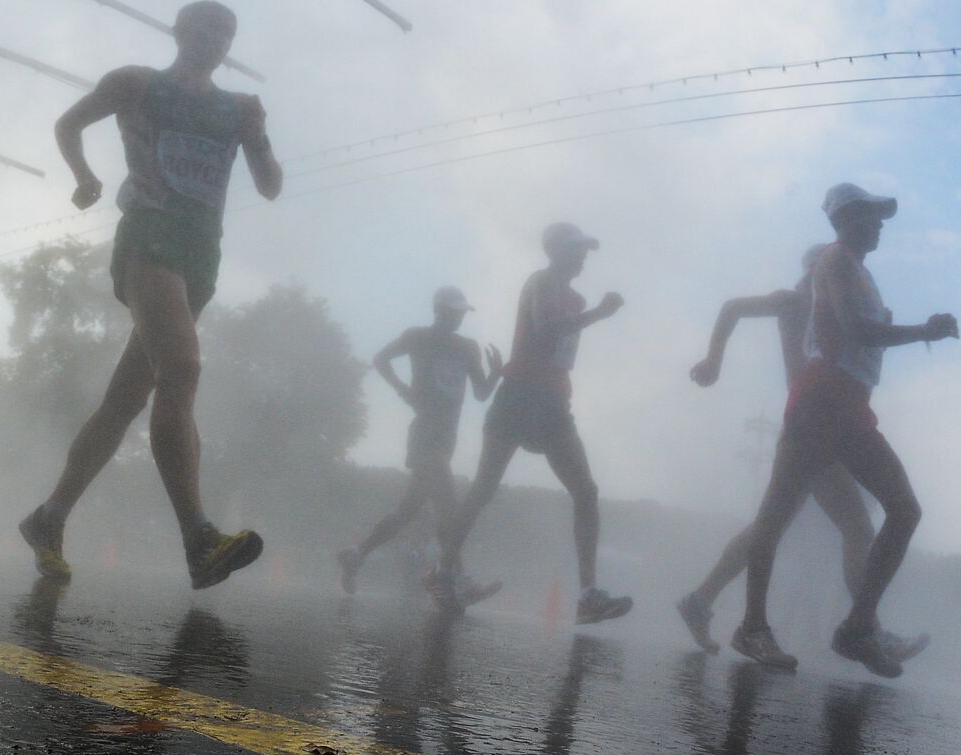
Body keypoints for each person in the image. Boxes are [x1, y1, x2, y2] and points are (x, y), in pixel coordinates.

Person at [19, 1, 283, 590]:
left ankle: (48, 517)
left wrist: (259, 138)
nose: (216, 39)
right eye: (205, 27)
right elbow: (68, 124)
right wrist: (84, 177)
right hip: (148, 242)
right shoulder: (134, 83)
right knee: (182, 368)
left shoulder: (238, 108)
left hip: (200, 259)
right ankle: (199, 539)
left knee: (124, 402)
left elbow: (269, 187)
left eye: (227, 33)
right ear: (179, 31)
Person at [732, 183, 956, 675]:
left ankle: (857, 628)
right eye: (871, 217)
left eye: (880, 218)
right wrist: (923, 331)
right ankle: (753, 627)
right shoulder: (834, 261)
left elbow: (861, 337)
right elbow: (855, 334)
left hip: (850, 407)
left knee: (903, 509)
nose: (879, 226)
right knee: (774, 519)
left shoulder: (860, 273)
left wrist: (903, 331)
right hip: (819, 404)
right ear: (845, 221)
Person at [677, 245, 927, 662]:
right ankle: (864, 632)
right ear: (817, 272)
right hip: (812, 423)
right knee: (846, 527)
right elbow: (732, 307)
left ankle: (703, 601)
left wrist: (878, 328)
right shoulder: (795, 300)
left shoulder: (828, 306)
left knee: (778, 523)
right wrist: (713, 360)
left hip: (828, 424)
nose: (844, 286)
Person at [427, 223, 633, 623]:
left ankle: (588, 595)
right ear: (556, 251)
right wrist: (598, 314)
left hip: (553, 400)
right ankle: (442, 572)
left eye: (586, 251)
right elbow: (545, 327)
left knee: (586, 491)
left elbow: (560, 343)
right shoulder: (540, 282)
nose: (584, 257)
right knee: (483, 490)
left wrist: (590, 313)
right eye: (578, 250)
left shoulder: (574, 296)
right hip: (519, 395)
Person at [338, 286, 501, 595]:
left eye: (462, 312)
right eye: (453, 311)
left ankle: (356, 556)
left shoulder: (467, 347)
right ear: (438, 310)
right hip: (425, 433)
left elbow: (480, 393)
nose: (458, 318)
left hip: (447, 436)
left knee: (406, 512)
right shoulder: (418, 337)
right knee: (448, 503)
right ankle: (453, 578)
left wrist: (495, 374)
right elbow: (380, 358)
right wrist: (403, 390)